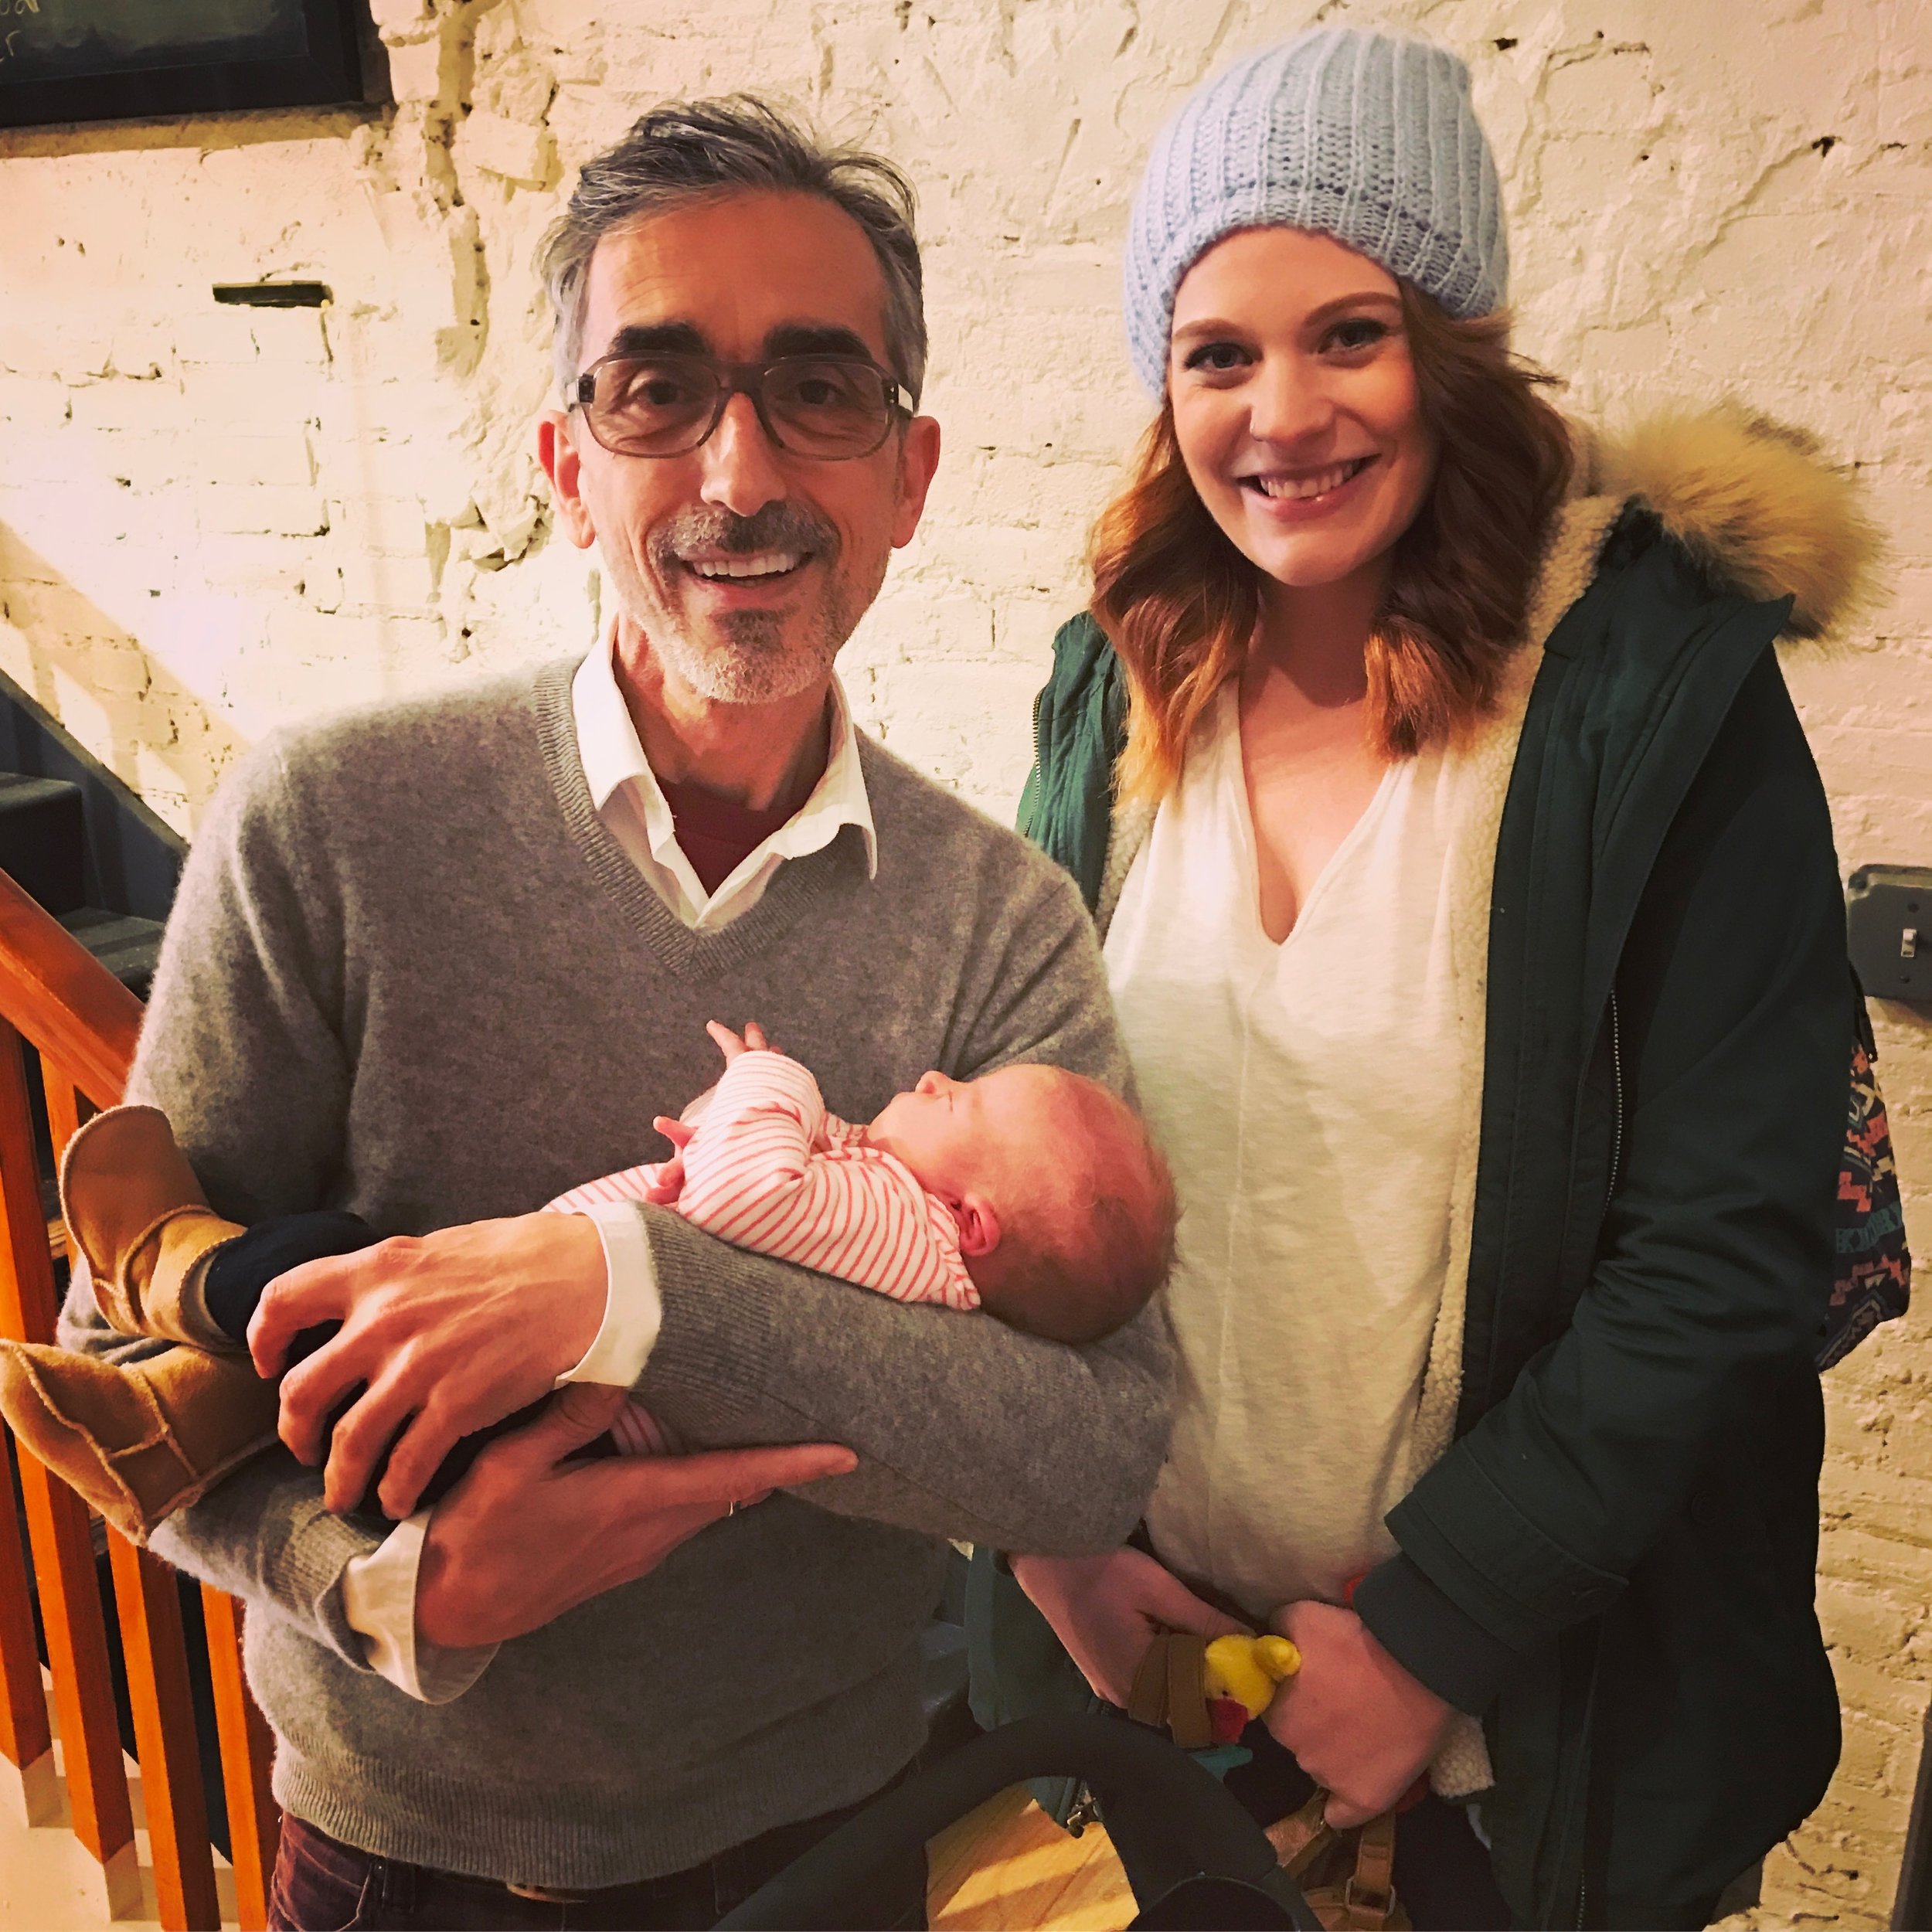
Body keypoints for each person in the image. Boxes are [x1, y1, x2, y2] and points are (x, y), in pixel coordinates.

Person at [55, 97, 1175, 1930]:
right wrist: (389, 1587)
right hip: (404, 1864)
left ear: (908, 474)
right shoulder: (329, 822)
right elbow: (123, 1362)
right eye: (656, 391)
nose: (739, 469)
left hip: (830, 1844)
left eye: (817, 388)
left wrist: (623, 1290)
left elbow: (1086, 1447)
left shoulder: (997, 920)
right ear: (567, 467)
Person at [975, 26, 1874, 1930]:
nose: (1280, 411)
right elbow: (1009, 1143)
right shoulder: (1112, 687)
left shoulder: (1645, 698)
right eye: (1215, 353)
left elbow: (1722, 1243)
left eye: (1348, 334)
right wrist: (1058, 1546)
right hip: (1173, 1689)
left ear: (1452, 342)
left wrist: (1432, 1631)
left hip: (1523, 1745)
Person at [12, 1022, 1175, 1541]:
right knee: (330, 1351)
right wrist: (378, 1607)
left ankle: (184, 1270)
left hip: (504, 1416)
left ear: (973, 1222)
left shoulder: (903, 1225)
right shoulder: (912, 1239)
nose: (929, 1079)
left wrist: (774, 1081)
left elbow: (743, 1202)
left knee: (337, 1258)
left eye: (960, 1100)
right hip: (494, 1431)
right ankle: (177, 1423)